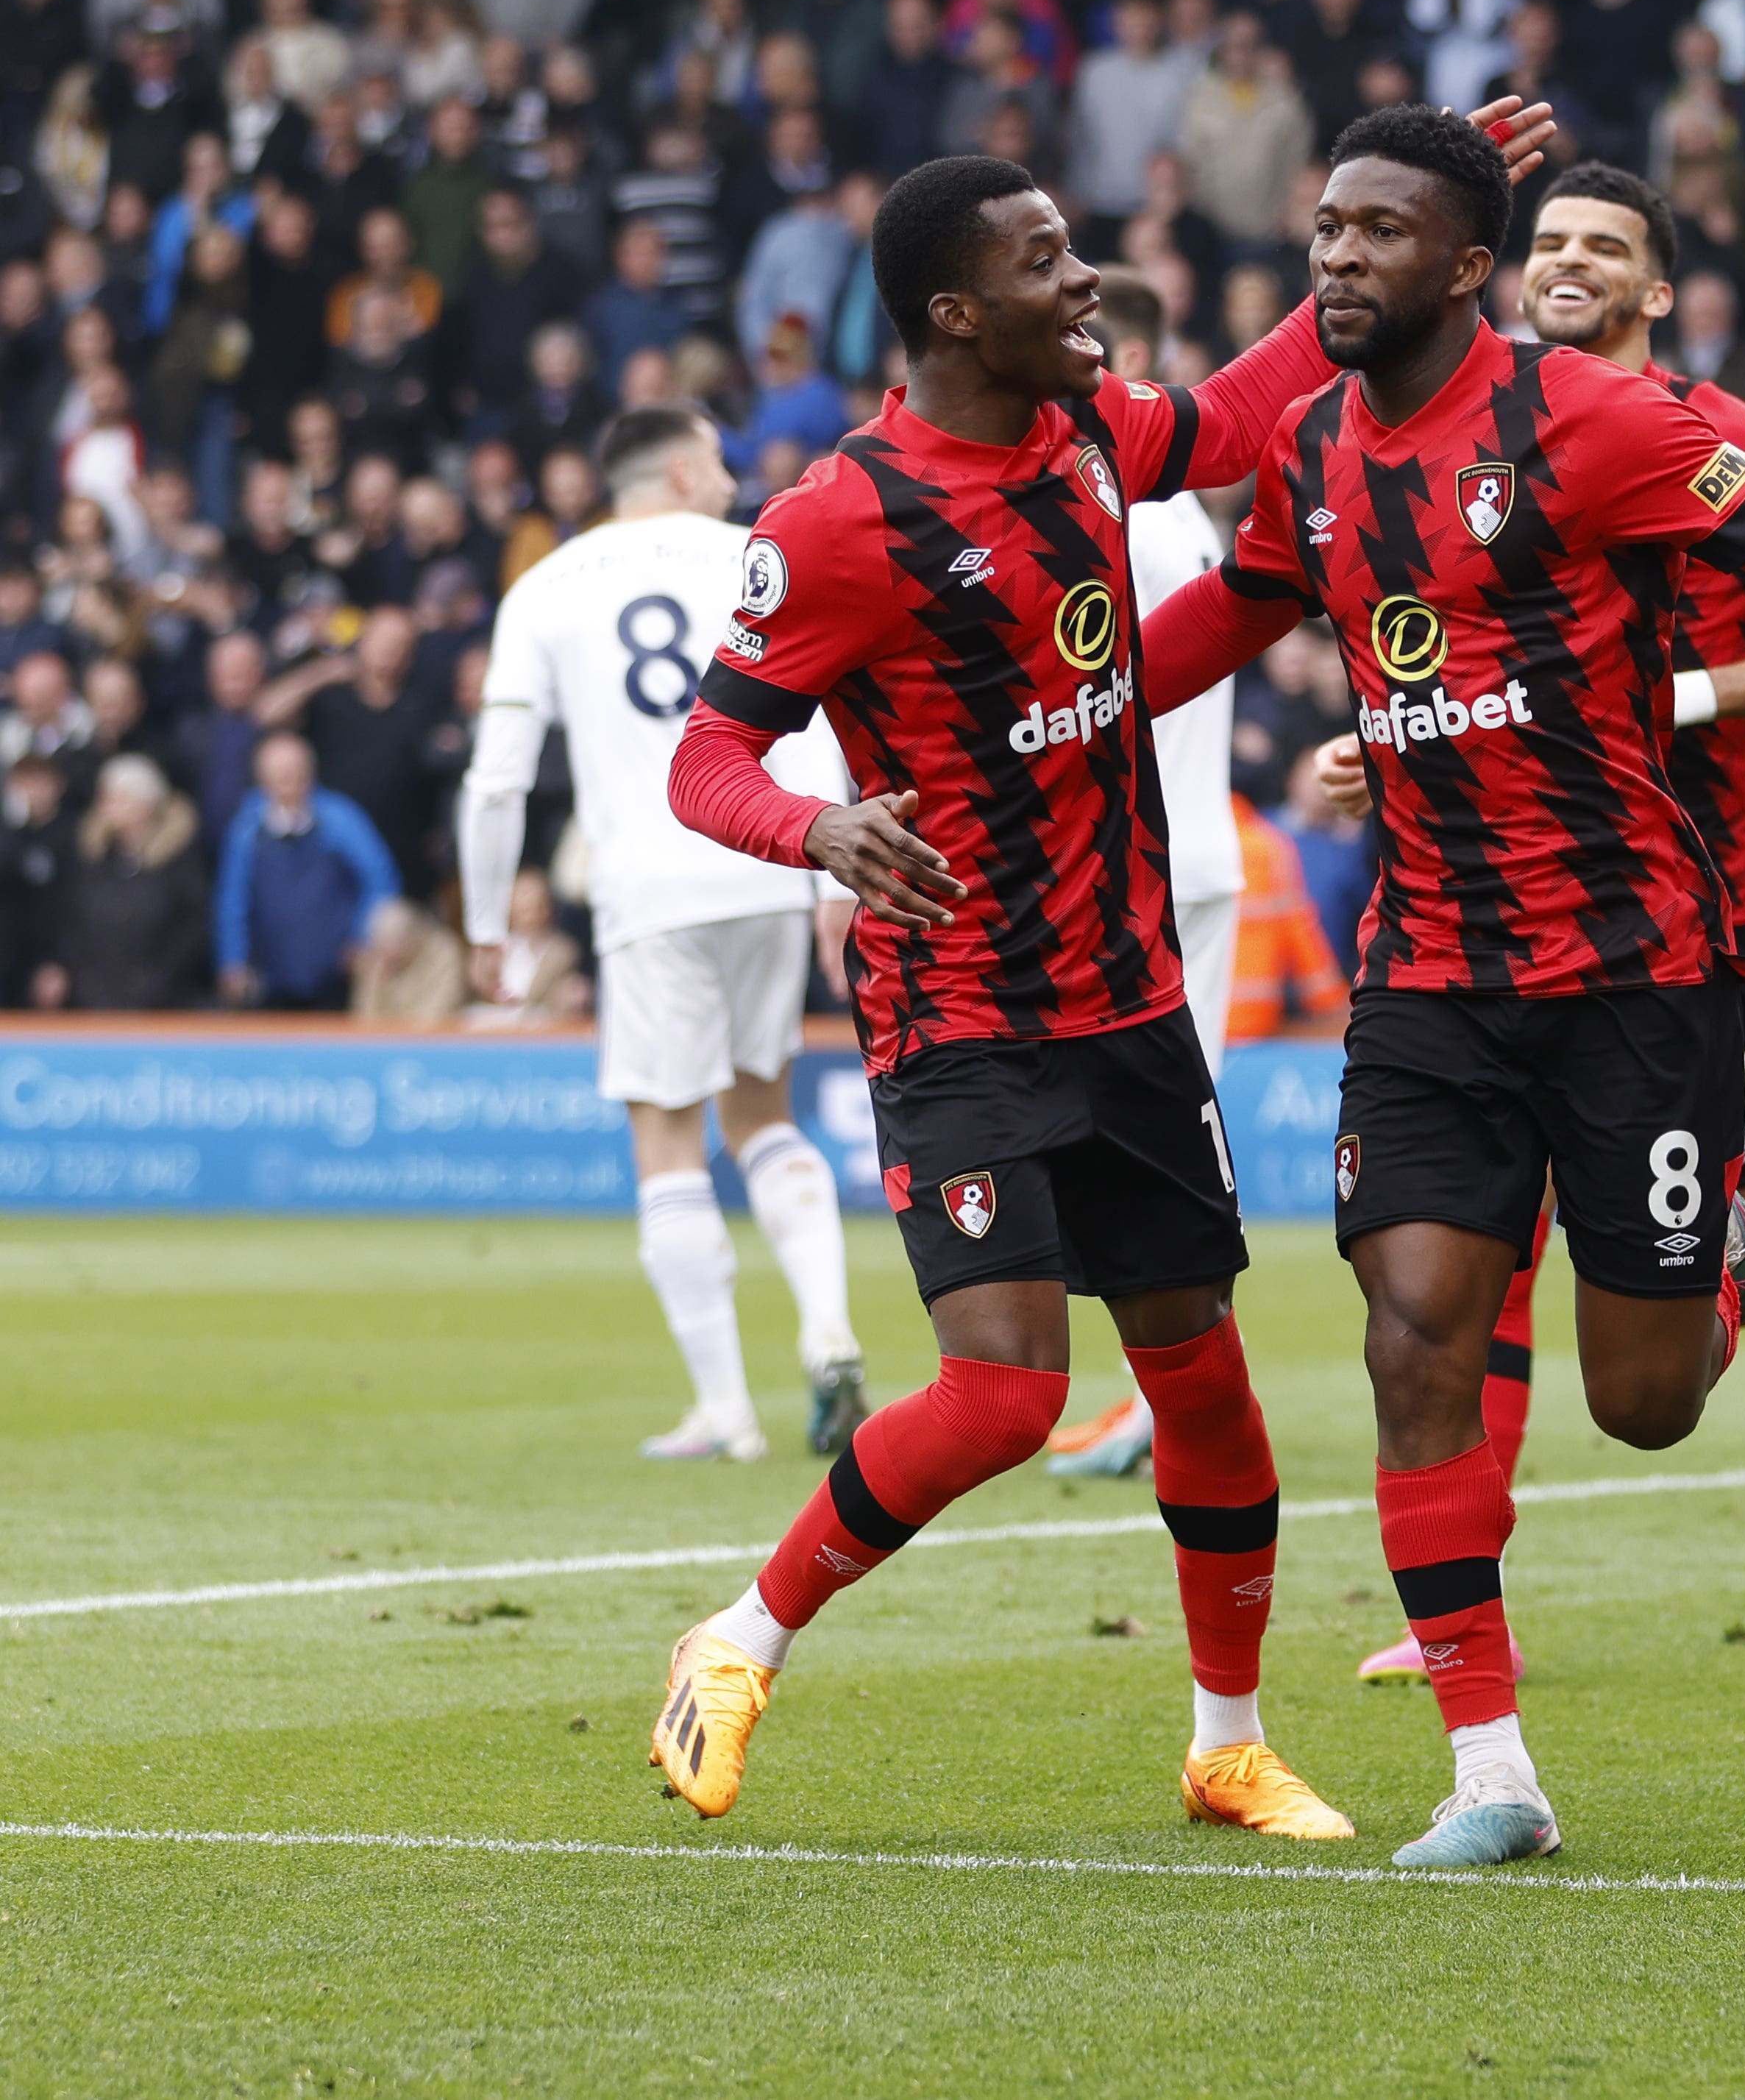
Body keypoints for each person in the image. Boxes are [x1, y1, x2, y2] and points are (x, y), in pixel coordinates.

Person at [1136, 103, 1745, 1867]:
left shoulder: (1595, 422)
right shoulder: (1318, 443)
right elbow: (1231, 613)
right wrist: (1056, 717)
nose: (1337, 256)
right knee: (1413, 1330)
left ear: (1469, 268)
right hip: (1427, 969)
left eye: (1379, 232)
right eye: (1324, 229)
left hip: (1638, 969)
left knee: (1644, 1388)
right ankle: (1492, 1770)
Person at [650, 102, 1554, 1837]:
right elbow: (710, 758)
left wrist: (1403, 230)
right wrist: (816, 830)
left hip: (1129, 1001)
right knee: (1005, 1389)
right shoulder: (837, 520)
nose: (1085, 286)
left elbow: (1221, 419)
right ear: (951, 315)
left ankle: (1226, 1738)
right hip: (961, 1011)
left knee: (1202, 1372)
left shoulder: (1080, 426)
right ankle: (746, 1631)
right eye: (1045, 265)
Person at [1309, 160, 1745, 1692]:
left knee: (1686, 1303)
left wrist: (1681, 693)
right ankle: (1458, 1604)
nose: (1568, 264)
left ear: (1656, 290)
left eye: (1605, 247)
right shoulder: (1449, 439)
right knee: (1470, 1277)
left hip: (1712, 918)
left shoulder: (1717, 439)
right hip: (1488, 940)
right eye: (1548, 241)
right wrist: (1388, 733)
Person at [457, 400, 868, 1466]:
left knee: (667, 1137)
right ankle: (828, 1330)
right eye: (718, 462)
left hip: (647, 890)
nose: (732, 477)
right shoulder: (759, 555)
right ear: (679, 473)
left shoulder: (545, 587)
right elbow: (821, 706)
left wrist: (488, 919)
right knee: (765, 1114)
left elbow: (498, 779)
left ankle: (726, 1411)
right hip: (773, 861)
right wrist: (833, 869)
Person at [1037, 266, 1258, 1485]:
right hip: (1149, 860)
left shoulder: (1142, 512)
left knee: (1161, 1140)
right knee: (1133, 1138)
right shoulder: (1156, 514)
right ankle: (1154, 1392)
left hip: (1159, 863)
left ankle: (1161, 1401)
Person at [216, 731, 400, 1010]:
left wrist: (362, 936)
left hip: (337, 971)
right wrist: (233, 960)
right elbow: (233, 899)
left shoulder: (340, 817)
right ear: (263, 779)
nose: (288, 781)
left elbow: (381, 879)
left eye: (295, 772)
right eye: (278, 775)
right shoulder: (247, 828)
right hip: (272, 971)